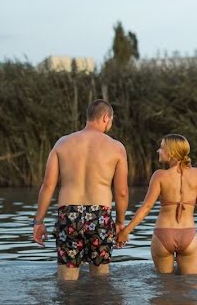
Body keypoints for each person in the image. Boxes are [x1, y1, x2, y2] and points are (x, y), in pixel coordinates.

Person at [32, 99, 129, 280]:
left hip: (68, 214)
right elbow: (121, 191)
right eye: (111, 120)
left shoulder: (62, 143)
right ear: (106, 117)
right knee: (101, 280)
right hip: (100, 214)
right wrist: (120, 223)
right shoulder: (116, 148)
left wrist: (38, 222)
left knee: (66, 281)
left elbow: (47, 186)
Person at [116, 134, 197, 274]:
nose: (158, 151)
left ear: (171, 153)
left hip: (163, 235)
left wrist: (126, 231)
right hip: (189, 236)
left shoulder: (159, 176)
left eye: (162, 148)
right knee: (191, 286)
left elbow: (146, 207)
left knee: (163, 287)